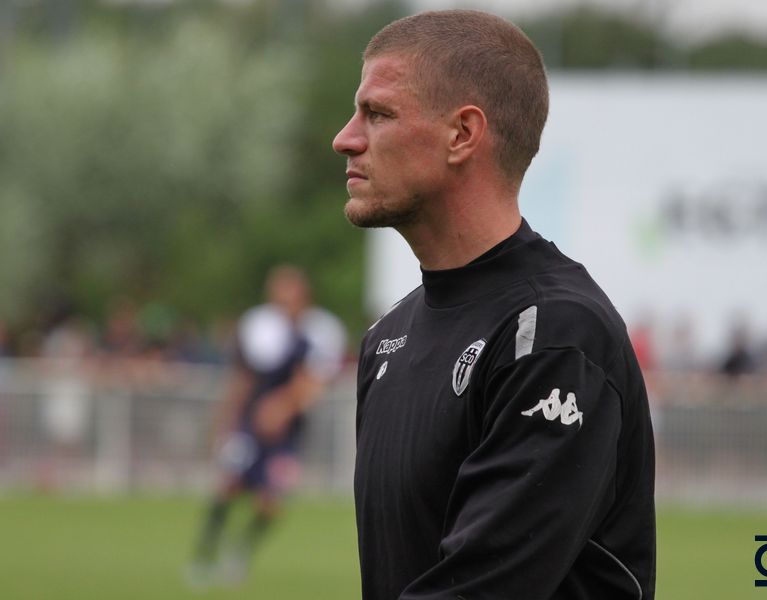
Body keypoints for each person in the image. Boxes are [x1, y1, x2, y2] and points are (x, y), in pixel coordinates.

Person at [332, 10, 655, 600]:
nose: (345, 138)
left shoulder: (555, 334)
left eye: (377, 114)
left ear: (462, 134)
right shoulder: (386, 338)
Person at [188, 265, 345, 586]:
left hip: (289, 431)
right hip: (249, 425)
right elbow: (243, 378)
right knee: (229, 485)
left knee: (271, 501)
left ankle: (240, 550)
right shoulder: (258, 326)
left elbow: (314, 382)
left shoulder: (323, 331)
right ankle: (204, 554)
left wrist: (283, 407)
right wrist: (226, 421)